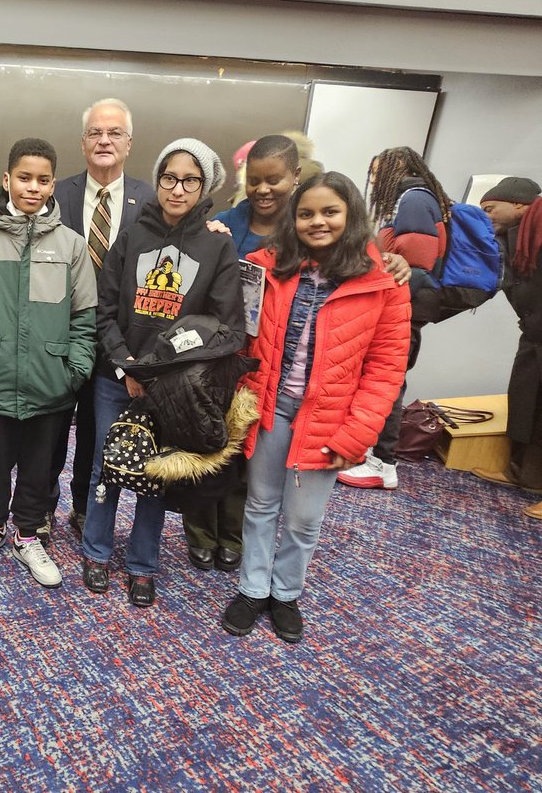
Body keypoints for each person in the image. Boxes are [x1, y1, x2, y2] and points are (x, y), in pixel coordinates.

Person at [222, 171, 410, 644]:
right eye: (306, 213)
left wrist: (359, 434)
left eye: (330, 212)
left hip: (330, 418)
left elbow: (386, 368)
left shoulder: (384, 281)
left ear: (350, 217)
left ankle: (286, 593)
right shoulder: (267, 265)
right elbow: (242, 333)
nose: (317, 222)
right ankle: (252, 588)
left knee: (305, 519)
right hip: (270, 408)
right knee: (261, 504)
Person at [82, 138, 244, 607]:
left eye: (189, 180)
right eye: (169, 178)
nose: (177, 189)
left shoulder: (217, 245)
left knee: (157, 473)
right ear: (157, 181)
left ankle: (142, 564)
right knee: (104, 466)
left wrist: (161, 374)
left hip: (175, 388)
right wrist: (125, 364)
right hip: (118, 377)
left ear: (204, 185)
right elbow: (103, 309)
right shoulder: (131, 235)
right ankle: (96, 552)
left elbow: (225, 327)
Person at [0, 138, 97, 588]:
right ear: (7, 179)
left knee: (39, 467)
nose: (33, 187)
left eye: (43, 179)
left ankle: (27, 534)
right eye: (24, 178)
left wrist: (73, 372)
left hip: (51, 384)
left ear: (53, 184)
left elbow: (84, 316)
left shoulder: (72, 246)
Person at [182, 134, 301, 574]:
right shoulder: (226, 223)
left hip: (270, 360)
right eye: (255, 180)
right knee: (205, 442)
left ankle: (231, 535)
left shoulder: (304, 227)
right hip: (217, 355)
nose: (264, 189)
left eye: (275, 180)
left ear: (296, 176)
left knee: (245, 455)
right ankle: (199, 532)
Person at [47, 98, 157, 541]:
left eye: (114, 133)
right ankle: (40, 509)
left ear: (129, 143)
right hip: (60, 332)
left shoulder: (151, 199)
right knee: (50, 429)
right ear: (83, 142)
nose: (104, 140)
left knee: (97, 432)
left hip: (116, 338)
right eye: (96, 132)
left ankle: (80, 506)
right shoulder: (57, 192)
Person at [339, 147, 448, 492]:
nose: (372, 180)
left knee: (388, 382)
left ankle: (382, 463)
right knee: (388, 381)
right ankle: (377, 459)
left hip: (404, 308)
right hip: (403, 307)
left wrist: (387, 276)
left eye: (376, 172)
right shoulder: (415, 199)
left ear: (396, 167)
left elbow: (414, 268)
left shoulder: (414, 200)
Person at [473, 177, 542, 519]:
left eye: (490, 209)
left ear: (517, 203)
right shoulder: (509, 241)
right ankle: (525, 476)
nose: (486, 217)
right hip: (534, 337)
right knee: (527, 403)